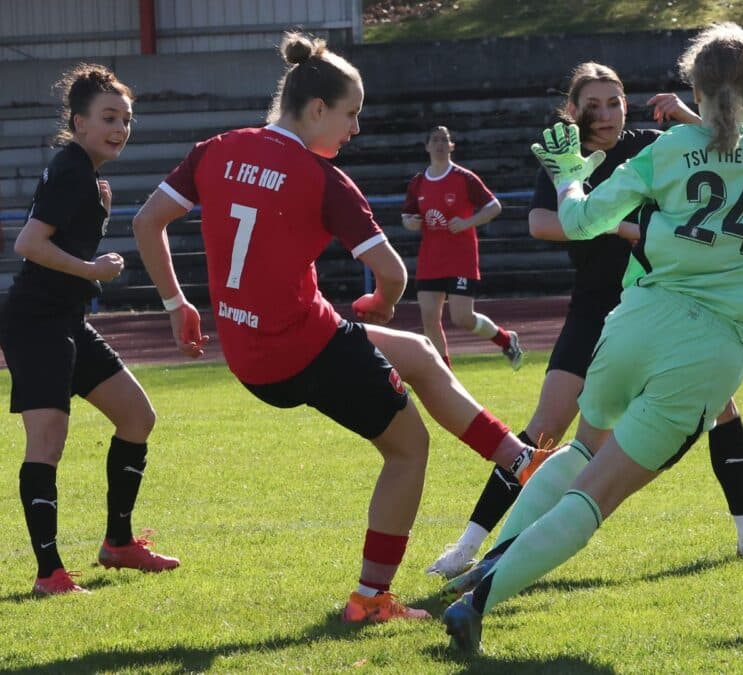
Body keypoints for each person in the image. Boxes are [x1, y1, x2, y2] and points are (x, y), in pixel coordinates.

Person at [442, 22, 743, 652]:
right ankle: (479, 599)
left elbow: (579, 220)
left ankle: (489, 564)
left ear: (693, 84)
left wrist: (567, 171)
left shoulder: (662, 152)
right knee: (599, 492)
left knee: (581, 452)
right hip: (710, 347)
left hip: (635, 321)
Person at [131, 32, 550, 623]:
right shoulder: (323, 179)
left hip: (250, 348)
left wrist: (177, 303)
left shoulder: (217, 148)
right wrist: (379, 303)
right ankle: (370, 599)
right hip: (303, 350)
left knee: (422, 355)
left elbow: (148, 222)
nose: (355, 129)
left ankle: (518, 461)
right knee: (408, 450)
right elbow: (393, 274)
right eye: (351, 114)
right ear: (318, 109)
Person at [425, 60, 743, 580]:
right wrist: (617, 227)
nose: (605, 114)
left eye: (613, 102)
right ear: (572, 111)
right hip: (598, 305)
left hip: (659, 305)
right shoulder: (563, 156)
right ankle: (470, 545)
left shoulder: (650, 144)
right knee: (546, 428)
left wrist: (687, 108)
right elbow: (541, 223)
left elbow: (726, 140)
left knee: (722, 411)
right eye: (591, 105)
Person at [0, 64, 181, 596]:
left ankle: (118, 545)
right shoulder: (73, 168)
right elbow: (28, 245)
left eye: (126, 119)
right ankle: (48, 574)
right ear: (78, 122)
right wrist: (94, 270)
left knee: (137, 416)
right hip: (36, 324)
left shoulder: (85, 173)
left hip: (67, 322)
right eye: (108, 117)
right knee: (47, 442)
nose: (120, 128)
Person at [402, 126, 524, 370]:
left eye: (444, 140)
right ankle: (446, 376)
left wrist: (468, 222)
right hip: (431, 259)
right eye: (434, 140)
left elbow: (494, 206)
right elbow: (408, 216)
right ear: (426, 146)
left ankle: (505, 339)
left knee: (462, 318)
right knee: (429, 320)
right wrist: (410, 223)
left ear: (452, 146)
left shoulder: (464, 178)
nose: (439, 144)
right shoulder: (418, 183)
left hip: (461, 258)